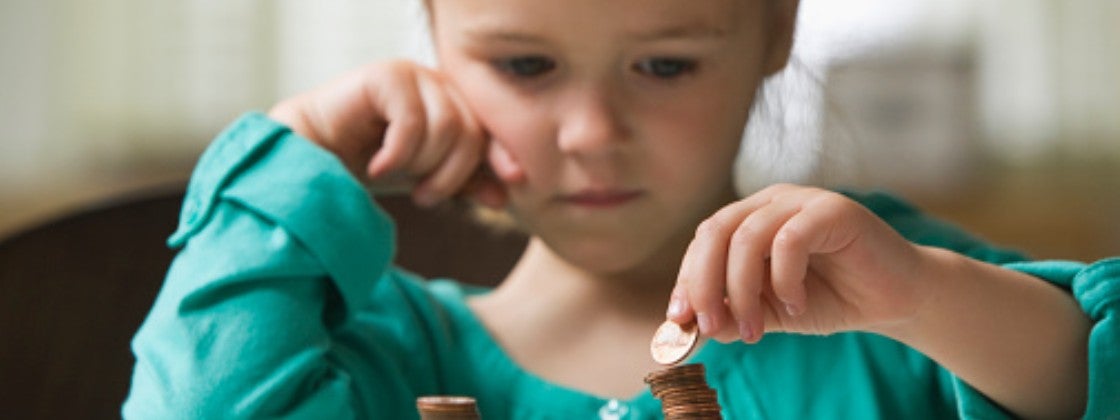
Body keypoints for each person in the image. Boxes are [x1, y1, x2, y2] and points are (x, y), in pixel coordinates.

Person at [122, 0, 1119, 418]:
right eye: (524, 64)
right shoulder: (375, 356)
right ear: (432, 35)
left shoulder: (899, 306)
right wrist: (292, 162)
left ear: (774, 30)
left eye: (663, 64)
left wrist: (922, 301)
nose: (592, 130)